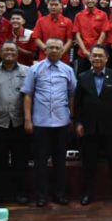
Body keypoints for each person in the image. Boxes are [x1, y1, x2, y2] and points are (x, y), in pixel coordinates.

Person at [21, 38, 77, 207]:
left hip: (61, 122)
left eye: (57, 48)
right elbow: (28, 95)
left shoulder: (68, 70)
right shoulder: (35, 69)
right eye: (51, 47)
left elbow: (72, 94)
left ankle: (59, 194)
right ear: (45, 50)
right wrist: (28, 119)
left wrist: (71, 117)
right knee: (40, 162)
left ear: (62, 51)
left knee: (60, 161)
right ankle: (41, 196)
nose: (54, 50)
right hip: (40, 122)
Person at [74, 45, 112, 205]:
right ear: (90, 58)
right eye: (94, 56)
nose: (97, 59)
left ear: (106, 59)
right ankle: (87, 194)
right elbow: (77, 104)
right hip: (89, 127)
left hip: (111, 127)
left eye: (100, 56)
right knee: (88, 164)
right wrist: (78, 122)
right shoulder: (82, 77)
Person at [0, 41, 31, 206]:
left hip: (19, 121)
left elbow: (30, 96)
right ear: (0, 53)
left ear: (17, 53)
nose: (9, 52)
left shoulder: (27, 71)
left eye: (12, 50)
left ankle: (20, 192)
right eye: (5, 50)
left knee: (20, 160)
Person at [73, 0, 109, 73]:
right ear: (83, 0)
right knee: (82, 78)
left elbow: (103, 33)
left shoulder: (103, 15)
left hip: (98, 54)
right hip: (83, 54)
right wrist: (85, 51)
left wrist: (95, 50)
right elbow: (77, 35)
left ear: (96, 0)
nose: (90, 0)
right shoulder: (78, 15)